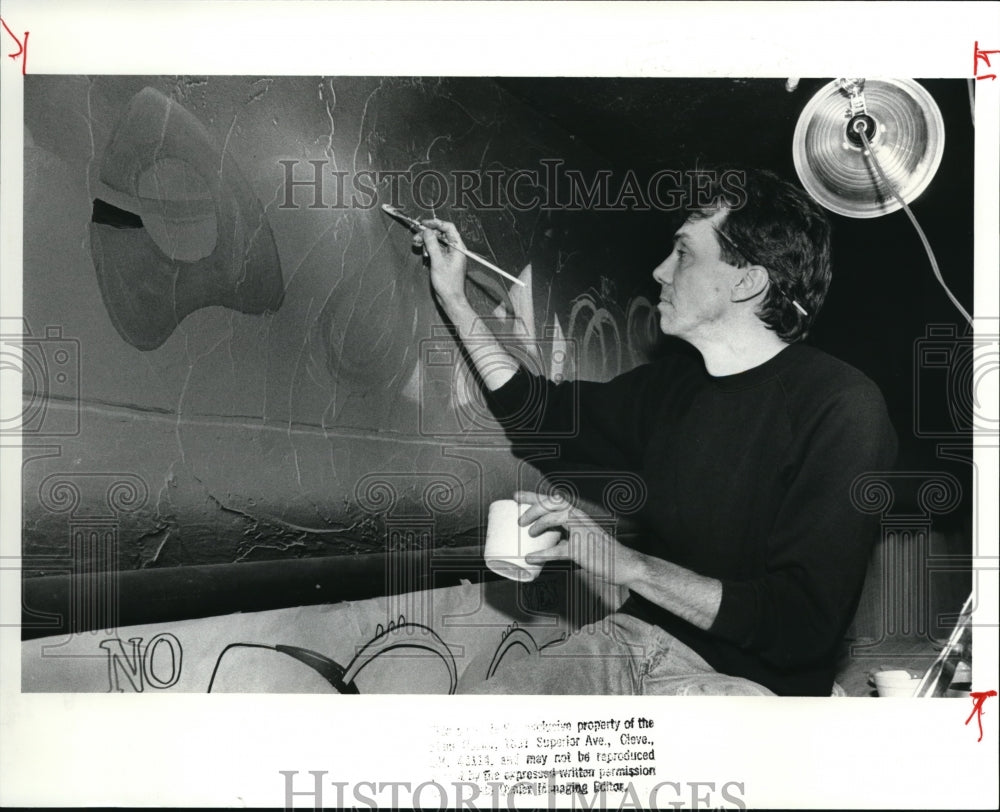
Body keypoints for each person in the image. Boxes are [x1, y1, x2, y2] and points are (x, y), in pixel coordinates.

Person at [414, 169, 897, 697]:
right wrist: (455, 298)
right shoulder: (668, 387)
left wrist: (629, 566)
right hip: (633, 642)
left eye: (684, 253)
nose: (660, 270)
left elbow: (801, 625)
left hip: (750, 684)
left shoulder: (842, 406)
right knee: (467, 728)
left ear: (746, 281)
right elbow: (537, 411)